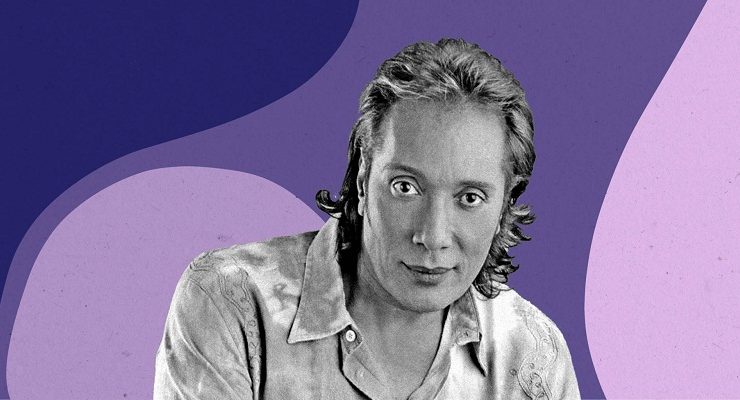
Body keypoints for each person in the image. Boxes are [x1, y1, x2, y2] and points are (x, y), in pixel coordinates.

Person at [154, 38, 580, 399]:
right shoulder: (231, 301)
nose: (432, 236)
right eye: (405, 187)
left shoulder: (533, 355)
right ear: (362, 182)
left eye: (470, 198)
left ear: (504, 207)